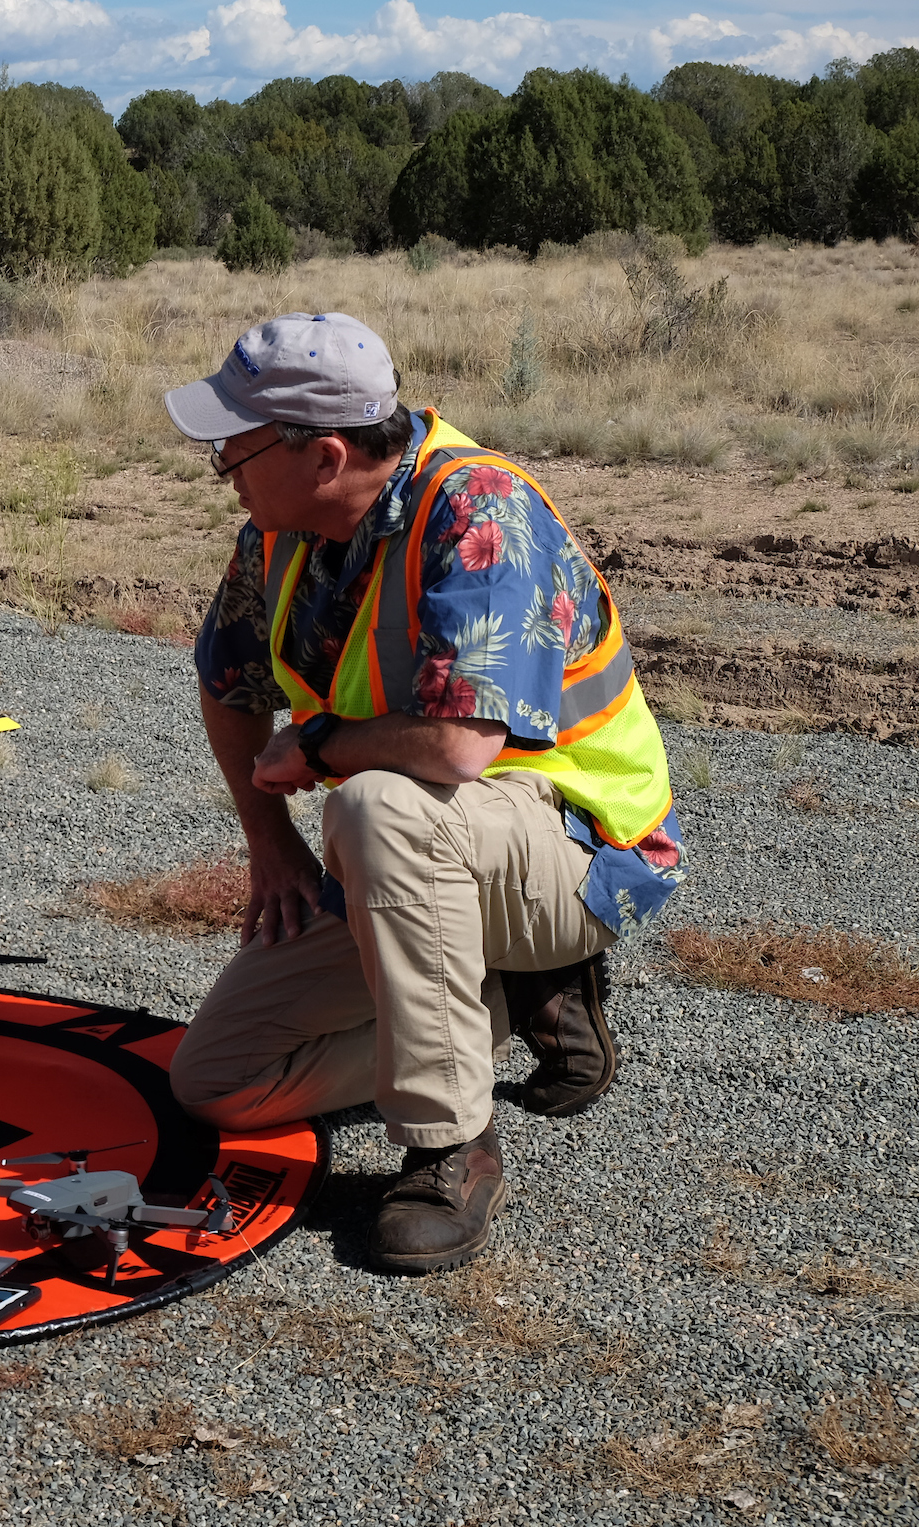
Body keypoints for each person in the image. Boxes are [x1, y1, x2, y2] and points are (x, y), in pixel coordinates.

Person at [163, 313, 686, 1273]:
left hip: (581, 851)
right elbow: (225, 680)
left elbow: (455, 744)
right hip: (432, 854)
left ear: (322, 455)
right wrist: (267, 840)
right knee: (216, 1083)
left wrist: (318, 750)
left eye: (231, 448)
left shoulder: (482, 514)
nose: (221, 467)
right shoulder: (278, 535)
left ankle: (450, 1145)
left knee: (375, 805)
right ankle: (487, 1002)